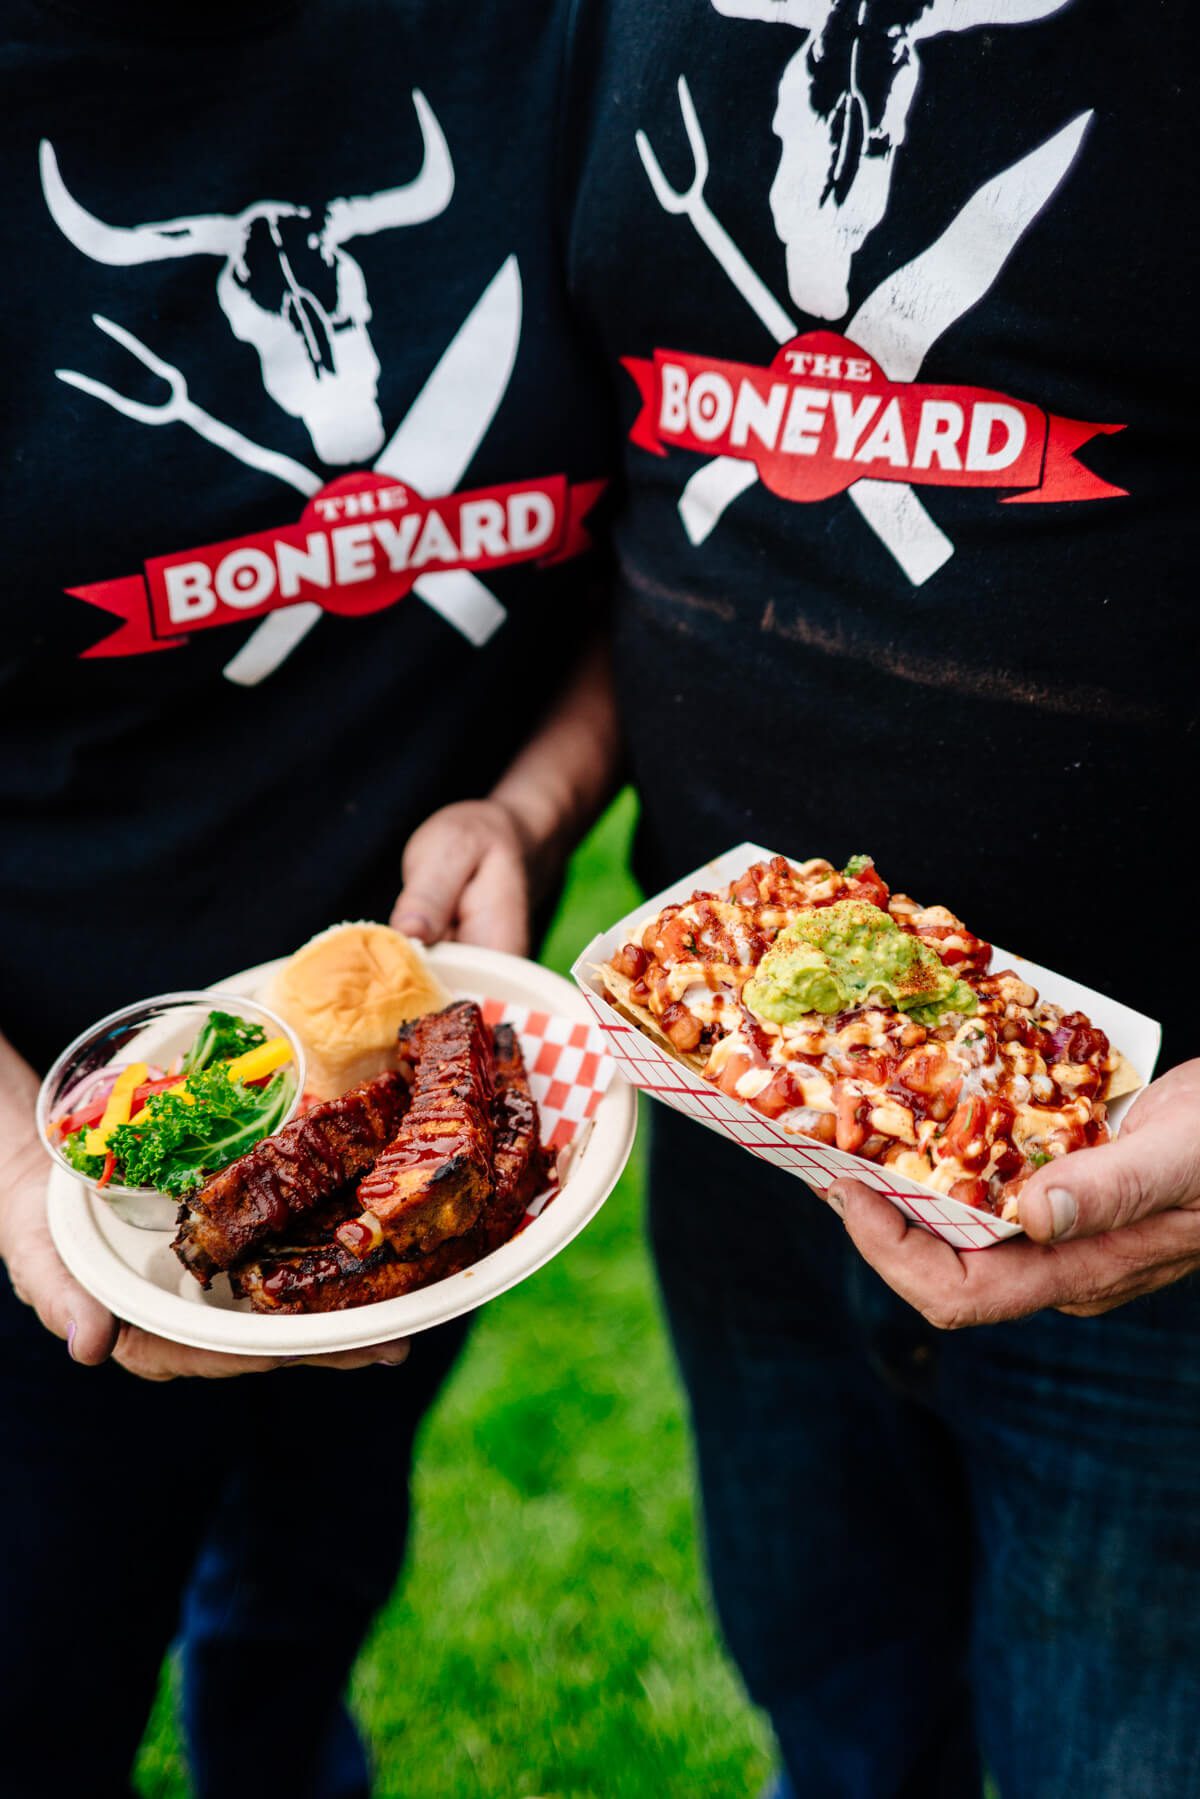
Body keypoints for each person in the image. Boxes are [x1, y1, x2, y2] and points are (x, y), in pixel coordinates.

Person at [408, 2, 1200, 1792]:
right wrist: (535, 804)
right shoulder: (609, 22)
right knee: (830, 1695)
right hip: (737, 1106)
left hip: (1148, 1184)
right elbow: (674, 497)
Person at [0, 4, 612, 1795]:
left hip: (432, 1090)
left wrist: (529, 798)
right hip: (58, 1161)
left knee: (311, 1568)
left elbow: (666, 536)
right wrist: (19, 1169)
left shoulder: (552, 43)